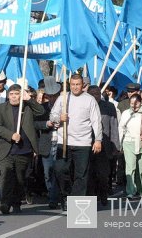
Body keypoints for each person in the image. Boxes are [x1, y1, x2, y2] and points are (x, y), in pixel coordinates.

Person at [50, 74, 102, 211]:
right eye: (72, 84)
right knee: (60, 169)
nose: (75, 87)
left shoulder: (90, 100)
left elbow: (96, 121)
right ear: (69, 84)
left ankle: (75, 202)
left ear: (82, 85)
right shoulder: (63, 98)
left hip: (83, 143)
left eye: (77, 84)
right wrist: (59, 117)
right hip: (64, 141)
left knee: (81, 174)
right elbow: (52, 115)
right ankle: (66, 195)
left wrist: (98, 139)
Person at [0, 84, 44, 214]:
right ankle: (5, 203)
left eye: (16, 94)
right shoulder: (1, 108)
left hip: (24, 149)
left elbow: (41, 111)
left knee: (19, 178)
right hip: (6, 149)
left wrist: (29, 100)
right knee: (6, 175)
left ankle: (16, 202)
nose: (14, 97)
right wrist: (11, 135)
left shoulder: (27, 107)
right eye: (11, 94)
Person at [87, 85, 120, 206]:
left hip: (105, 145)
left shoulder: (109, 107)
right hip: (87, 145)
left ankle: (103, 193)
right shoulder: (85, 106)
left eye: (96, 93)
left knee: (103, 174)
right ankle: (92, 196)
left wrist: (116, 145)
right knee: (89, 173)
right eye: (92, 94)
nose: (94, 96)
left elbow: (114, 126)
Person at [34, 76, 61, 209]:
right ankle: (52, 195)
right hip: (47, 143)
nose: (52, 98)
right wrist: (47, 123)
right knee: (48, 171)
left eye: (55, 95)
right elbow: (34, 124)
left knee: (60, 170)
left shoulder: (65, 107)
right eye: (49, 95)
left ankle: (58, 196)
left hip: (62, 143)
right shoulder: (41, 109)